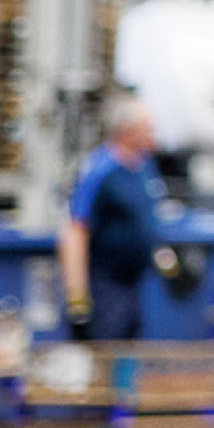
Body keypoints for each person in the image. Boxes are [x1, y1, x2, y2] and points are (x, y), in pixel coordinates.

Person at [60, 96, 162, 342]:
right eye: (148, 127)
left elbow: (146, 222)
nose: (153, 133)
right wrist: (77, 298)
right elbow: (75, 231)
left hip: (135, 283)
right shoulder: (100, 170)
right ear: (128, 130)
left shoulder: (144, 168)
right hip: (105, 285)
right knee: (107, 356)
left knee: (130, 355)